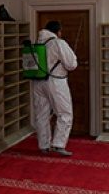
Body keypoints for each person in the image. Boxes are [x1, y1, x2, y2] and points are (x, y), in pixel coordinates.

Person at [31, 20, 78, 156]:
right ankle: (59, 144)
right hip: (56, 82)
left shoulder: (37, 43)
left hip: (38, 82)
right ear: (58, 31)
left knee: (42, 114)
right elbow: (71, 65)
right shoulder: (58, 43)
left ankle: (44, 146)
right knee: (65, 113)